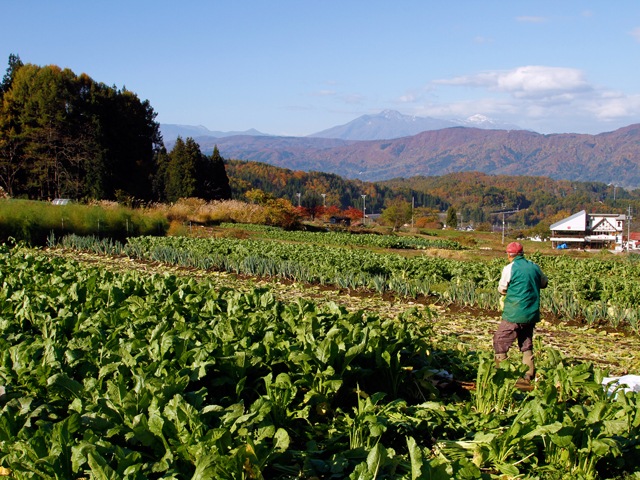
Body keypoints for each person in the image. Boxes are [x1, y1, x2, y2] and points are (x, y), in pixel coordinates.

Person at [493, 241, 548, 382]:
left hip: (514, 312)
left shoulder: (509, 268)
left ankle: (503, 374)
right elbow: (544, 283)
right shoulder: (535, 267)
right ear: (522, 253)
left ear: (509, 255)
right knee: (526, 341)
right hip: (531, 313)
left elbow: (502, 288)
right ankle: (528, 374)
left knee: (500, 340)